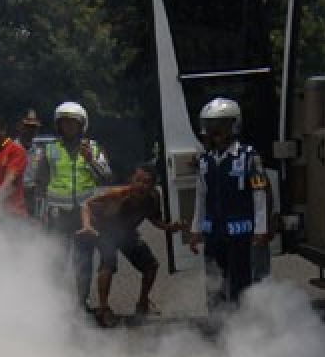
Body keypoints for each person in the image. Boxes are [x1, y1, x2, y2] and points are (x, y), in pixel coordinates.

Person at [78, 164, 184, 327]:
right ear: (131, 180)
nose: (142, 185)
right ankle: (103, 309)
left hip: (127, 233)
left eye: (147, 182)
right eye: (138, 180)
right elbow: (87, 205)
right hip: (105, 230)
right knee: (108, 264)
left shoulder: (153, 197)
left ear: (152, 185)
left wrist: (170, 227)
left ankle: (142, 304)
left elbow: (154, 219)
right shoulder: (118, 195)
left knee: (151, 265)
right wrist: (87, 225)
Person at [189, 96, 270, 308]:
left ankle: (243, 327)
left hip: (240, 231)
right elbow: (201, 195)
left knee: (241, 281)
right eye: (210, 125)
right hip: (214, 230)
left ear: (233, 125)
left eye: (220, 125)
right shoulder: (204, 160)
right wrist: (195, 228)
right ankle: (218, 326)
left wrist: (261, 228)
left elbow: (259, 193)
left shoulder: (248, 156)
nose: (214, 131)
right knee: (214, 280)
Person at [35, 101, 112, 311]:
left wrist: (91, 160)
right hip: (58, 215)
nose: (68, 127)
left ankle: (82, 302)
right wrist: (40, 215)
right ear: (58, 125)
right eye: (64, 123)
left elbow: (106, 177)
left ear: (82, 125)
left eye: (73, 123)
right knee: (56, 260)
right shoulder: (49, 150)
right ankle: (55, 304)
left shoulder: (94, 148)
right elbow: (40, 184)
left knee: (84, 260)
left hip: (85, 215)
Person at [16, 108, 43, 219]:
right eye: (27, 127)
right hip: (13, 199)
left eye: (34, 128)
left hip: (33, 201)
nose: (31, 131)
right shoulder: (11, 150)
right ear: (19, 127)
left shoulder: (39, 152)